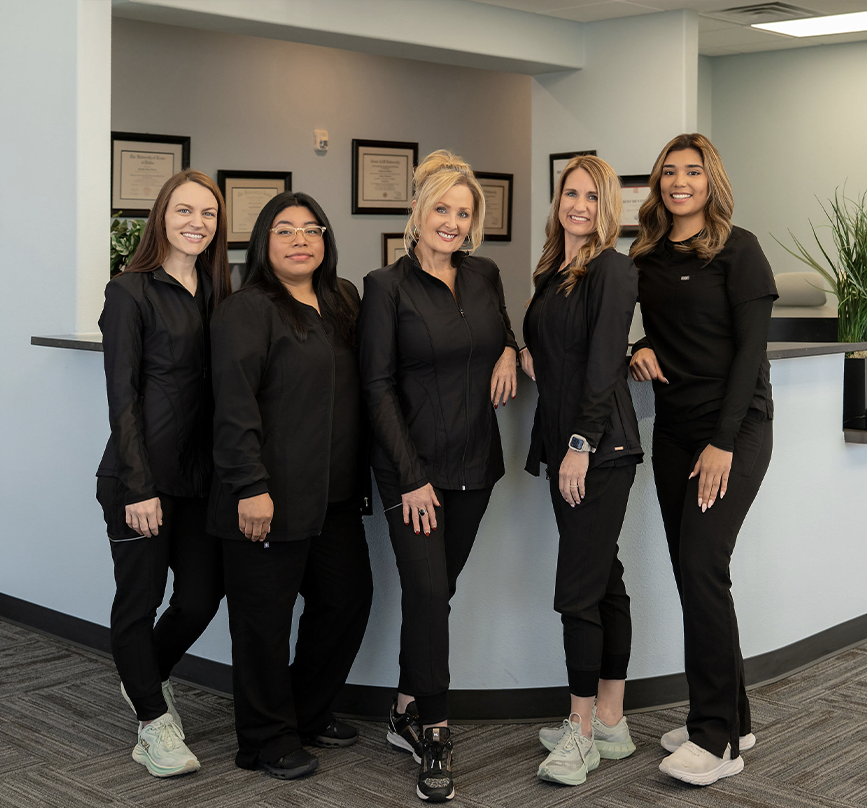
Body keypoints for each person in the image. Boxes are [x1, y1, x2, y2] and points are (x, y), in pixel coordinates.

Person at [358, 149, 518, 802]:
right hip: (411, 474)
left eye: (463, 211)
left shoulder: (483, 274)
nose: (451, 222)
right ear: (417, 213)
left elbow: (503, 330)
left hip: (475, 466)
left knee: (437, 593)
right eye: (441, 209)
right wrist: (411, 477)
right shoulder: (384, 287)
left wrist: (509, 352)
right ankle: (434, 732)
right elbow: (376, 386)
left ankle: (401, 707)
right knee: (426, 594)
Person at [208, 191, 373, 781]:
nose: (301, 239)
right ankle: (263, 740)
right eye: (285, 230)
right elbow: (233, 405)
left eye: (312, 229)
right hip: (266, 496)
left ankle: (303, 713)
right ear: (262, 242)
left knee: (347, 601)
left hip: (333, 495)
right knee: (263, 624)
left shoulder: (343, 301)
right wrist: (249, 485)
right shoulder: (246, 308)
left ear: (326, 241)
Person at [629, 133, 776, 786]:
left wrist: (721, 443)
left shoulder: (738, 250)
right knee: (695, 576)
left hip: (734, 431)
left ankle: (715, 740)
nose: (678, 181)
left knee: (701, 565)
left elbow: (749, 356)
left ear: (710, 181)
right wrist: (631, 347)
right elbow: (620, 323)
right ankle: (730, 715)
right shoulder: (645, 256)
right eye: (668, 172)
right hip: (674, 431)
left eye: (691, 171)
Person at [96, 168, 231, 777]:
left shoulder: (219, 290)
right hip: (139, 477)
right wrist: (138, 485)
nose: (196, 222)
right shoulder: (130, 291)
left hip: (200, 480)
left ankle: (141, 675)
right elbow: (121, 396)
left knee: (203, 596)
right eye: (184, 210)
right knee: (141, 599)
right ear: (161, 215)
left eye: (207, 213)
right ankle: (153, 723)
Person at [521, 155, 642, 786]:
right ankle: (613, 723)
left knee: (576, 589)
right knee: (603, 580)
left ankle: (580, 729)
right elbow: (550, 348)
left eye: (593, 197)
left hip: (599, 450)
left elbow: (602, 366)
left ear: (607, 207)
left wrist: (578, 445)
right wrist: (517, 352)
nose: (579, 206)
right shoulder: (552, 270)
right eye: (571, 193)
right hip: (573, 444)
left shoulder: (612, 270)